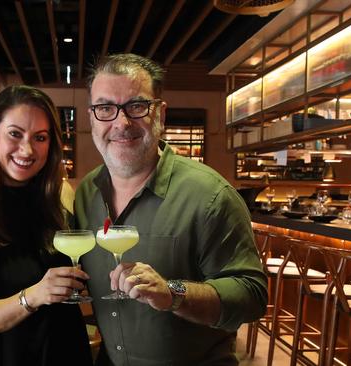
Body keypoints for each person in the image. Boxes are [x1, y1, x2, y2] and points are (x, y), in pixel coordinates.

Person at [75, 53, 268, 365]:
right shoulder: (85, 193)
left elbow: (251, 296)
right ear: (91, 117)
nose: (121, 123)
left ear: (160, 113)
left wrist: (172, 292)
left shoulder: (209, 194)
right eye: (105, 108)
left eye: (137, 106)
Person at [0, 85, 92, 365]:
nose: (27, 149)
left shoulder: (61, 194)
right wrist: (36, 294)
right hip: (0, 354)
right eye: (15, 134)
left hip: (62, 347)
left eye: (40, 137)